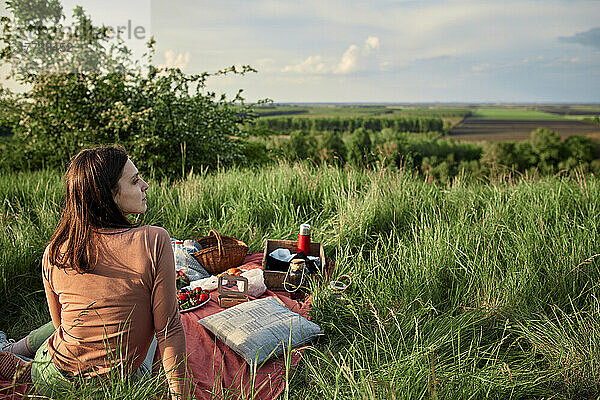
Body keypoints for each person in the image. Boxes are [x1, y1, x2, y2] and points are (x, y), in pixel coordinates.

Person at [0, 146, 189, 398]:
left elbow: (61, 328)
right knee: (156, 329)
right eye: (134, 181)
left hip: (55, 377)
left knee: (75, 321)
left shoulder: (54, 251)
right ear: (108, 195)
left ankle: (19, 356)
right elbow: (170, 329)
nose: (145, 185)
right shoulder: (153, 239)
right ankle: (19, 358)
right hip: (120, 385)